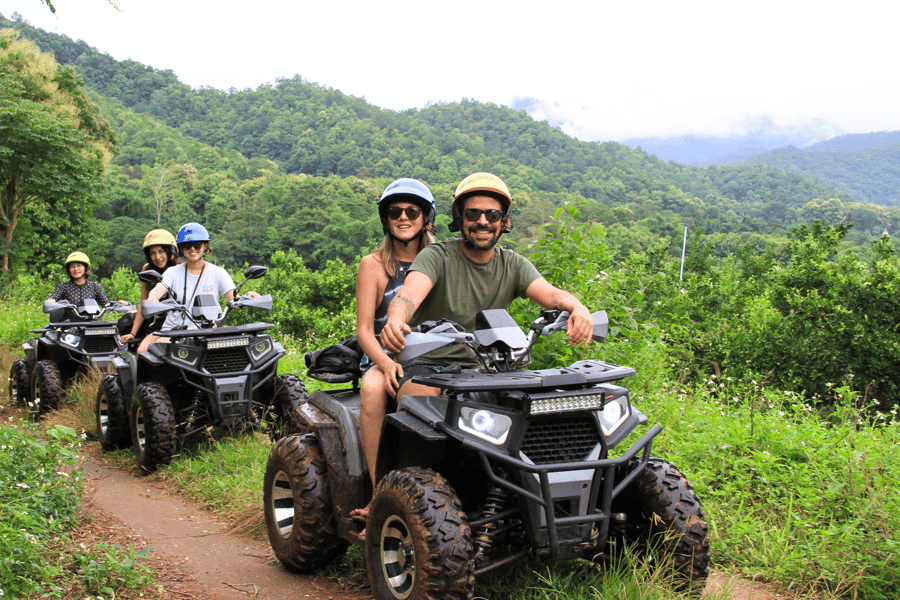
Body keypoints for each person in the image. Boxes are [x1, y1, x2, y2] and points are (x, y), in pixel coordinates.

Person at [380, 172, 594, 398]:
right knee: (419, 397)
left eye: (492, 215)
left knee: (533, 403)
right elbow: (408, 295)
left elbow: (552, 295)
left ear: (504, 221)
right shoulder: (437, 256)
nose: (482, 221)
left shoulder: (513, 264)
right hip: (428, 364)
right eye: (473, 213)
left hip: (489, 368)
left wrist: (577, 308)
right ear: (460, 218)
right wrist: (396, 319)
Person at [356, 178, 437, 492]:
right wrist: (386, 363)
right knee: (372, 388)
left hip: (432, 356)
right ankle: (378, 487)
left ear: (425, 218)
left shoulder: (440, 260)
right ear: (386, 219)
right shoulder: (373, 265)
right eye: (395, 212)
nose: (403, 217)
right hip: (384, 356)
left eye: (412, 211)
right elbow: (365, 330)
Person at [136, 222, 242, 354]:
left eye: (197, 245)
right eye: (187, 245)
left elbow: (234, 299)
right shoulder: (172, 272)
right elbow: (158, 289)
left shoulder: (218, 273)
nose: (192, 249)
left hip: (205, 331)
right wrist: (152, 300)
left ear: (205, 246)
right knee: (145, 352)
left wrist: (248, 297)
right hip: (173, 331)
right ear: (181, 248)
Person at [120, 229, 180, 344]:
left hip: (179, 321)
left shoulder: (180, 269)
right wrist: (133, 333)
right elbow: (143, 300)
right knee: (143, 350)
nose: (157, 257)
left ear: (170, 251)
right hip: (160, 322)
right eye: (153, 253)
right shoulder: (148, 269)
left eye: (161, 251)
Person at [47, 252, 124, 321]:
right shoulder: (63, 286)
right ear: (68, 270)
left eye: (79, 266)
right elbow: (54, 298)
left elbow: (106, 304)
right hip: (68, 325)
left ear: (86, 268)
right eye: (72, 266)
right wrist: (50, 301)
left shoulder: (94, 286)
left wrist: (120, 304)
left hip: (90, 323)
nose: (76, 269)